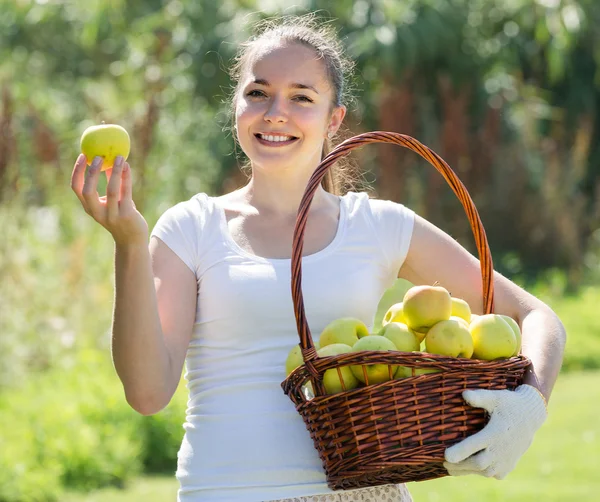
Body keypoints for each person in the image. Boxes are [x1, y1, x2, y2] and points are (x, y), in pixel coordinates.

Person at [70, 14, 566, 502]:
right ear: (236, 105)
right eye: (258, 92)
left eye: (301, 97)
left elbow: (535, 316)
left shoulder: (378, 225)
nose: (275, 112)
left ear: (334, 119)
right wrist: (129, 242)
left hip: (362, 493)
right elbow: (147, 392)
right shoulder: (190, 227)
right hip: (226, 492)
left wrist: (529, 406)